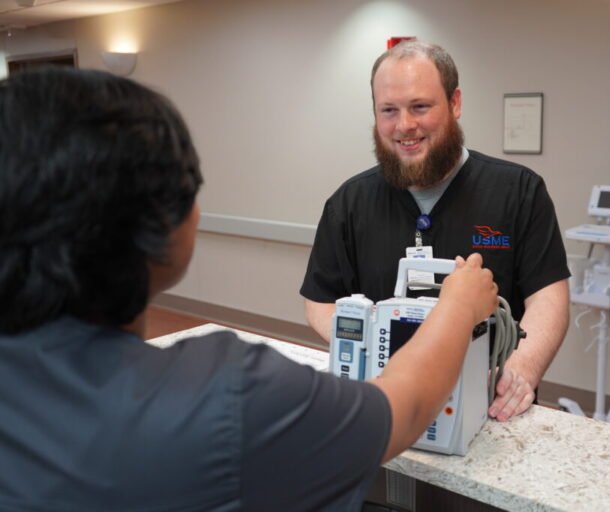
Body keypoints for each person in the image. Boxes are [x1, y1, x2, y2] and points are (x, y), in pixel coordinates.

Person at [0, 67, 499, 511]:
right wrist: (458, 306)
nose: (404, 124)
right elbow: (403, 408)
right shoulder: (228, 398)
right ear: (164, 223)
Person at [301, 40, 570, 422]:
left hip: (489, 407)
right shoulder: (349, 203)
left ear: (454, 103)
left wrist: (519, 371)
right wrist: (375, 353)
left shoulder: (519, 193)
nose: (404, 126)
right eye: (388, 111)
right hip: (384, 403)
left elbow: (548, 298)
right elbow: (321, 300)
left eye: (420, 107)